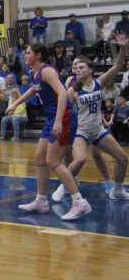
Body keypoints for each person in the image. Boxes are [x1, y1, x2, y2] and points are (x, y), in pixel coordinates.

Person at [6, 44, 91, 221]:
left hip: (64, 117)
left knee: (53, 161)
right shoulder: (35, 72)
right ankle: (41, 201)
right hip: (52, 117)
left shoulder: (47, 71)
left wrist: (59, 120)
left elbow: (62, 94)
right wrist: (15, 103)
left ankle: (79, 202)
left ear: (38, 55)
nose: (25, 55)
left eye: (28, 53)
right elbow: (32, 90)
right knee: (40, 158)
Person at [52, 36, 129, 203]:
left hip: (98, 129)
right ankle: (64, 186)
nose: (77, 70)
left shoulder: (98, 83)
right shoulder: (72, 91)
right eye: (76, 68)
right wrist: (59, 122)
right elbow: (61, 103)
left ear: (91, 70)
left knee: (122, 158)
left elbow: (117, 66)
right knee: (80, 159)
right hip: (81, 130)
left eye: (81, 67)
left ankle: (117, 190)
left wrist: (123, 48)